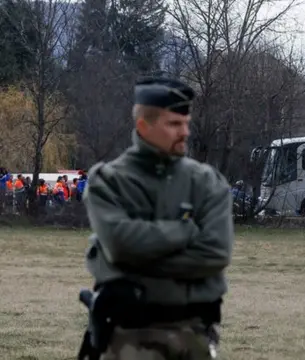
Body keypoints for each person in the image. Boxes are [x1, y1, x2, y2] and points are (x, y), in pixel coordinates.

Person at [77, 76, 234, 360]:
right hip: (129, 340)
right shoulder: (110, 181)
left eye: (186, 123)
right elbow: (121, 244)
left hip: (195, 336)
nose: (185, 132)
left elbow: (216, 252)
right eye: (174, 124)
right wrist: (185, 231)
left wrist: (131, 268)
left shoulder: (206, 182)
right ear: (143, 126)